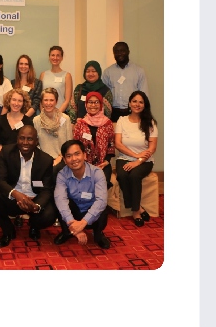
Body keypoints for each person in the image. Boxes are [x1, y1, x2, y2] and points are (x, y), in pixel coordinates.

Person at [0, 125, 56, 245]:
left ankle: (34, 226)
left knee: (50, 214)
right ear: (17, 139)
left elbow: (47, 189)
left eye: (29, 139)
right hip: (13, 198)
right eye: (22, 138)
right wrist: (16, 194)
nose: (25, 142)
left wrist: (36, 206)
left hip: (34, 199)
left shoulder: (46, 160)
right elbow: (0, 181)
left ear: (36, 141)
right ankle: (8, 231)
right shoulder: (6, 152)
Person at [53, 139, 110, 249]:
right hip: (74, 212)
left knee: (102, 207)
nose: (74, 159)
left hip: (91, 212)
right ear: (64, 160)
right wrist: (75, 227)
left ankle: (98, 234)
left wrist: (83, 223)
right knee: (59, 202)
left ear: (84, 155)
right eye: (69, 156)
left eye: (77, 154)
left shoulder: (97, 173)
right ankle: (67, 232)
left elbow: (101, 201)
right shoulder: (62, 174)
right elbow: (60, 199)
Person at [114, 91, 158, 226]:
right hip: (124, 157)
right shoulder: (122, 120)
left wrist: (138, 161)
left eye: (141, 102)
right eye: (134, 101)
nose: (137, 104)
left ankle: (135, 212)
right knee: (122, 175)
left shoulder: (150, 123)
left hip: (145, 161)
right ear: (129, 103)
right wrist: (135, 156)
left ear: (144, 105)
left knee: (134, 176)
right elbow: (118, 144)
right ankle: (138, 207)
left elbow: (152, 148)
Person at [73, 91, 115, 188]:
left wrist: (106, 161)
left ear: (101, 104)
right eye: (90, 102)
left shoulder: (107, 123)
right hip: (83, 163)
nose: (93, 105)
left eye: (96, 102)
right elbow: (76, 145)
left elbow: (111, 144)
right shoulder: (80, 124)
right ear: (86, 104)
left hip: (103, 163)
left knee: (101, 184)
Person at [102, 42, 149, 122]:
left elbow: (144, 95)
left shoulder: (139, 71)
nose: (119, 53)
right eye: (116, 51)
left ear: (128, 52)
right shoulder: (108, 72)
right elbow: (104, 94)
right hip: (113, 113)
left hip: (133, 111)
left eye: (122, 51)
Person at [33, 87, 71, 166]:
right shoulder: (36, 120)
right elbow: (36, 144)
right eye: (46, 100)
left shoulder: (65, 119)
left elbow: (69, 143)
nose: (48, 103)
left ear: (56, 101)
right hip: (43, 160)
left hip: (62, 159)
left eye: (51, 100)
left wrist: (60, 157)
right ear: (41, 102)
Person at [68, 60, 113, 124]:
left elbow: (108, 112)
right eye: (88, 71)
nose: (90, 74)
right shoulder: (79, 89)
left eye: (93, 71)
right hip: (80, 125)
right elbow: (72, 108)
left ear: (99, 72)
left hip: (99, 127)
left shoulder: (105, 90)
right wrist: (73, 123)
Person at [39, 45, 72, 115]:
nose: (55, 58)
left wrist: (57, 114)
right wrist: (43, 113)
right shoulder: (43, 74)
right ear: (49, 57)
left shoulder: (67, 75)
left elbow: (67, 100)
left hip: (60, 113)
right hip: (45, 114)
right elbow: (40, 97)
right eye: (53, 55)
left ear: (61, 58)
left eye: (58, 55)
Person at [11, 54, 42, 118]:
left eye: (26, 64)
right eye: (21, 64)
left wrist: (24, 118)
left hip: (29, 118)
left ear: (29, 66)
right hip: (14, 117)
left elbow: (36, 104)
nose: (23, 66)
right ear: (18, 66)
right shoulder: (12, 83)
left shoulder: (37, 83)